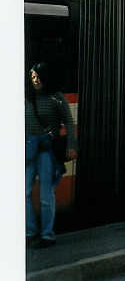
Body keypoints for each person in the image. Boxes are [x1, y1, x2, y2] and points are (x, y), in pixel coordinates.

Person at [25, 62, 77, 249]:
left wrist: (71, 146)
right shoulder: (27, 98)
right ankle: (30, 231)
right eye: (32, 77)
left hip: (47, 150)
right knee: (24, 192)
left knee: (46, 194)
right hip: (29, 149)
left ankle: (47, 235)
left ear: (45, 77)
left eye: (38, 76)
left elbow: (69, 123)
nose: (35, 80)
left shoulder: (56, 97)